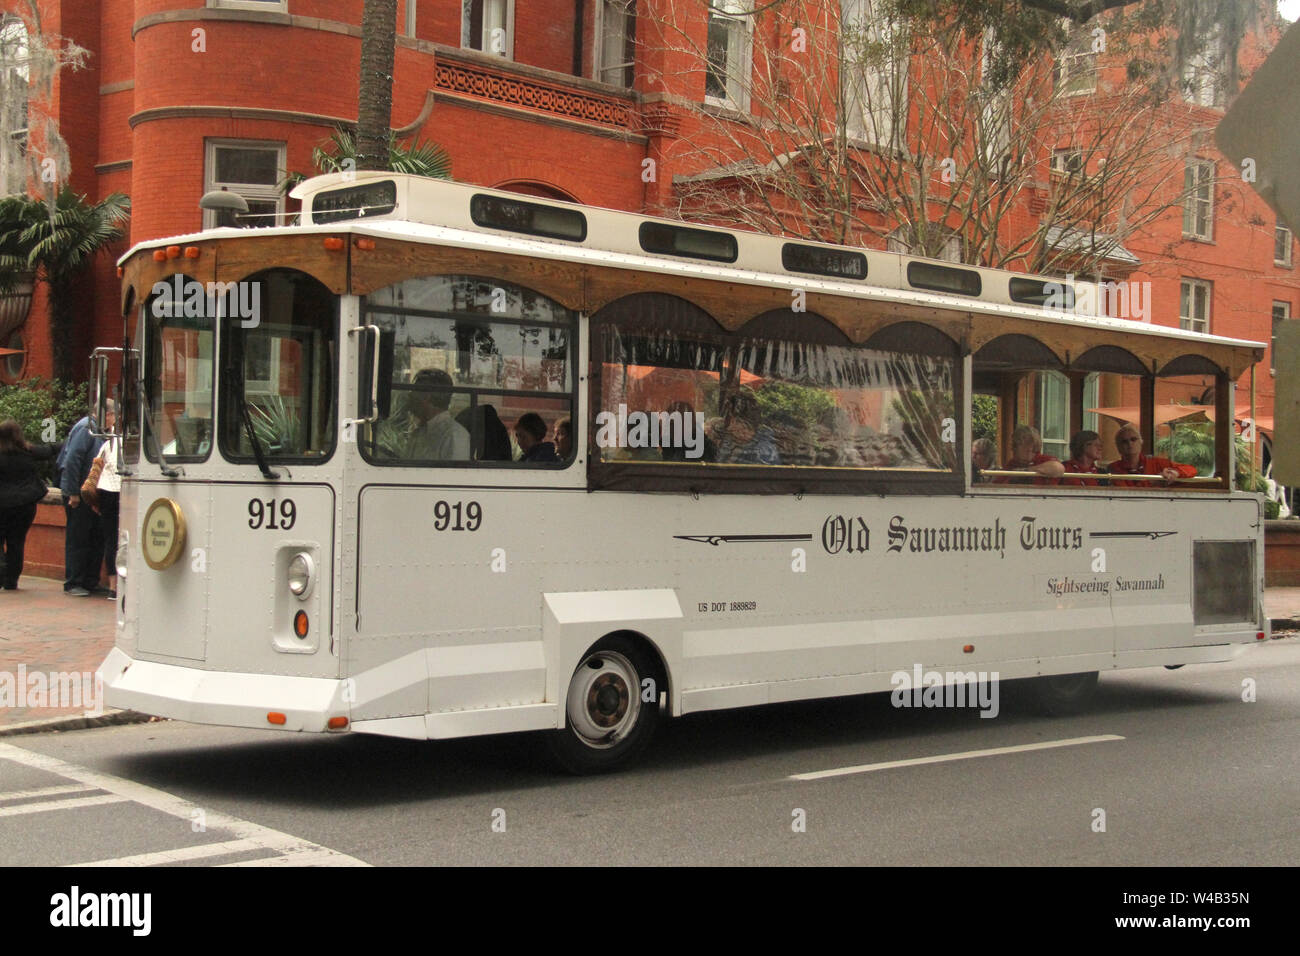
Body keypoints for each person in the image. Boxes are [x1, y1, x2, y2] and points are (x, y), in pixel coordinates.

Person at [0, 420, 59, 591]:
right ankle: (11, 581)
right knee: (17, 541)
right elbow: (51, 450)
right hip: (24, 505)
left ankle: (1, 570)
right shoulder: (28, 451)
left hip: (2, 505)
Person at [56, 407, 106, 595]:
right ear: (105, 414)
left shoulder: (101, 430)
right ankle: (74, 582)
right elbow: (72, 460)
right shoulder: (86, 429)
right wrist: (72, 493)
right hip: (80, 493)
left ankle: (90, 581)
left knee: (96, 537)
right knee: (79, 537)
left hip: (94, 493)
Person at [1107, 423, 1198, 487]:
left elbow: (1191, 470)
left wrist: (1175, 473)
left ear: (1141, 442)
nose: (1130, 444)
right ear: (1118, 447)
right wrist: (1153, 482)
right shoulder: (1114, 468)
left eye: (1133, 439)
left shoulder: (1156, 463)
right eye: (1124, 441)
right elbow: (1127, 493)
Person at [407, 369, 470, 461]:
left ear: (426, 397)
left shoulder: (454, 436)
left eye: (414, 392)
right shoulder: (419, 433)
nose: (410, 397)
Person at [95, 402, 121, 599]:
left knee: (111, 539)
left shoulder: (108, 441)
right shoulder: (129, 437)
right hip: (122, 491)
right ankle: (119, 583)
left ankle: (113, 585)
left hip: (106, 491)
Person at [994, 424, 1064, 484]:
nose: (1029, 449)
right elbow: (998, 485)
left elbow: (1059, 468)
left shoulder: (1044, 460)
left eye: (1032, 445)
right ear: (1015, 446)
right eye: (1024, 445)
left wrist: (1026, 471)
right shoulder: (1012, 464)